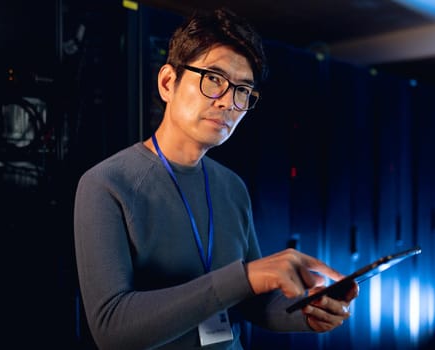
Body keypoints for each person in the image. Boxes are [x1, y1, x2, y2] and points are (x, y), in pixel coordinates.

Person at [73, 8, 358, 349]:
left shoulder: (232, 187)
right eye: (213, 79)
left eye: (242, 91)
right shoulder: (106, 184)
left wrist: (306, 311)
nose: (228, 103)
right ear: (167, 83)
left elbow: (252, 301)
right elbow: (112, 330)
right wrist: (245, 277)